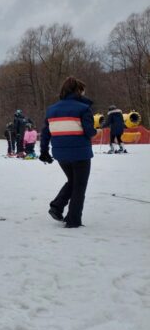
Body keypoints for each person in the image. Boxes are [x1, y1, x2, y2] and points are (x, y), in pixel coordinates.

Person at [40, 76, 96, 228]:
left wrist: (44, 151)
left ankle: (57, 206)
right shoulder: (83, 108)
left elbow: (45, 133)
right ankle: (73, 220)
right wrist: (96, 128)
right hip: (80, 154)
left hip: (61, 155)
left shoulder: (51, 110)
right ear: (78, 90)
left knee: (73, 181)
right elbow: (89, 132)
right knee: (79, 185)